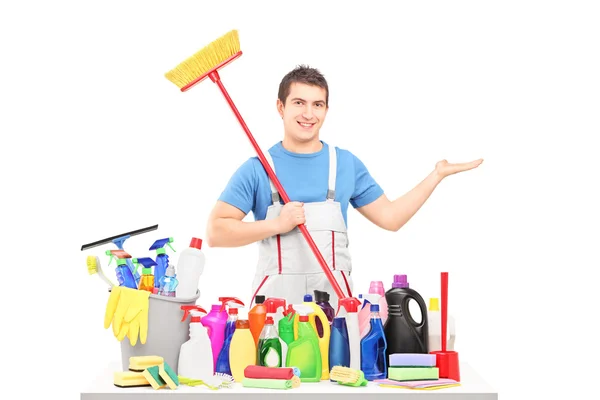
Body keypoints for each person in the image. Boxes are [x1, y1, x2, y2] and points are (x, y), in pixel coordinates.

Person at [206, 65, 483, 311]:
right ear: (280, 107)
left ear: (326, 110)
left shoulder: (345, 164)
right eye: (299, 102)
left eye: (318, 104)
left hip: (335, 313)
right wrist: (276, 225)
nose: (308, 114)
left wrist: (435, 175)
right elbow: (216, 232)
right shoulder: (258, 168)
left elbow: (391, 218)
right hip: (273, 317)